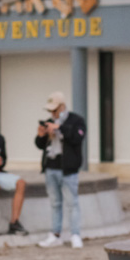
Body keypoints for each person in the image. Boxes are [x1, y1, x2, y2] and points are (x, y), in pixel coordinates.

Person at [35, 92, 87, 249]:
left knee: (72, 203)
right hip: (51, 167)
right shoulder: (50, 121)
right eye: (50, 111)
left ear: (62, 107)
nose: (52, 114)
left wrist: (60, 128)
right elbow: (40, 145)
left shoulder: (76, 121)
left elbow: (78, 138)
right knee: (55, 203)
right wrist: (41, 135)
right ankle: (55, 235)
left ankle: (75, 234)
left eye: (55, 110)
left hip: (68, 170)